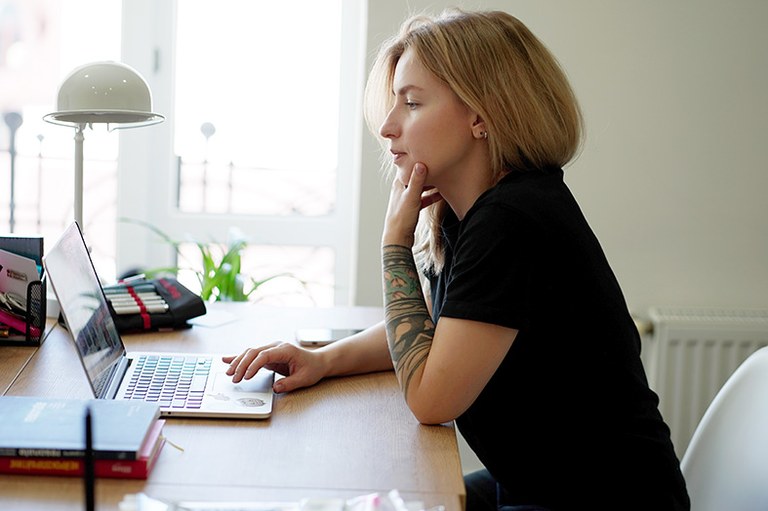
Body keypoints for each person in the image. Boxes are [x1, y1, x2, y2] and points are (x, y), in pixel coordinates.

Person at [224, 8, 690, 511]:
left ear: (481, 116)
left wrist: (394, 246)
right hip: (538, 483)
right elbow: (439, 321)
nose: (388, 127)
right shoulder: (473, 211)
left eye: (412, 103)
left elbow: (430, 400)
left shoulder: (512, 220)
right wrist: (322, 360)